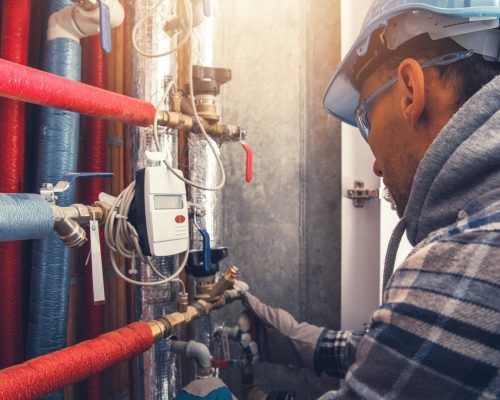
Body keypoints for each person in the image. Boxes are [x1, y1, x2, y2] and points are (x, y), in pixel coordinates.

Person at [235, 1, 500, 399]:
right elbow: (428, 357)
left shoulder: (467, 257)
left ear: (411, 90)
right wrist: (297, 339)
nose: (376, 165)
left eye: (367, 119)